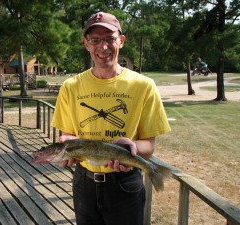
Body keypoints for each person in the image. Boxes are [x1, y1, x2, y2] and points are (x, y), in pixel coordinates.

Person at [51, 11, 171, 225]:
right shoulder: (70, 87)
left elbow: (149, 147)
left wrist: (131, 147)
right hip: (83, 183)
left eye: (109, 39)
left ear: (121, 41)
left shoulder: (143, 86)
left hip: (125, 184)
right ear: (86, 44)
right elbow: (68, 135)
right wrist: (66, 149)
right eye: (95, 40)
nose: (103, 47)